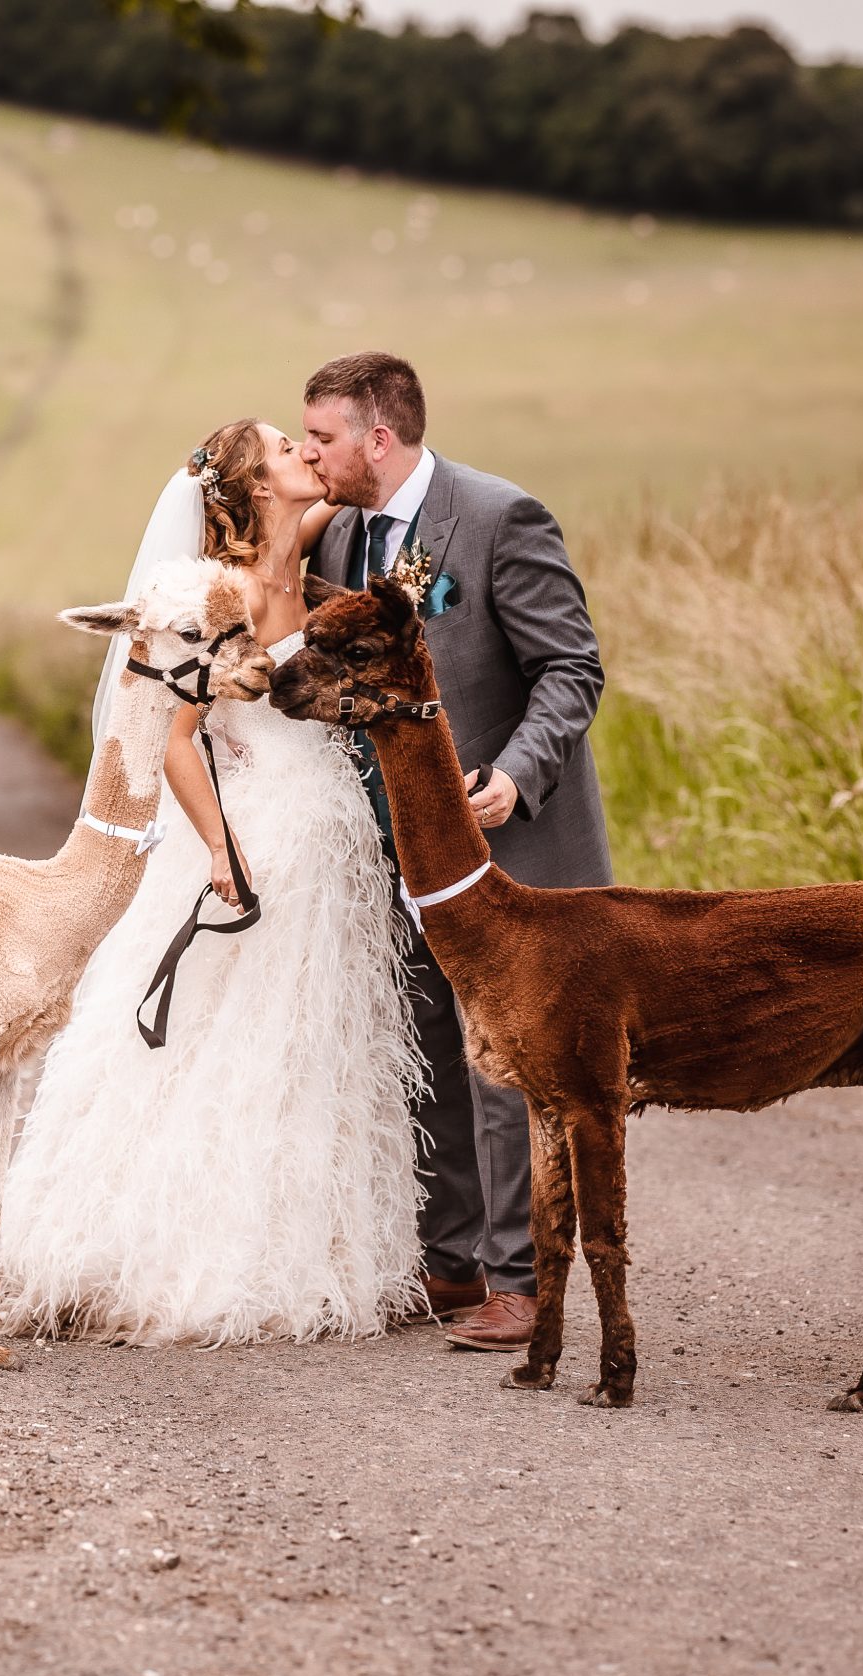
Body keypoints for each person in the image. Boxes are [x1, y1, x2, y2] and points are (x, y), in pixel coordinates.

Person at [0, 419, 426, 1344]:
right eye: (284, 448)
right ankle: (159, 1251)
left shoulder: (298, 547)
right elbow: (177, 741)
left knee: (303, 1041)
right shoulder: (212, 594)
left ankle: (300, 1246)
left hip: (331, 833)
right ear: (253, 486)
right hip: (251, 832)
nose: (306, 454)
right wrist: (223, 851)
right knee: (209, 1039)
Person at [299, 350, 612, 1353]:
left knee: (504, 1060)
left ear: (376, 438)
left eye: (322, 437)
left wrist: (516, 774)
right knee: (429, 1042)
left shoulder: (499, 518)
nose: (311, 453)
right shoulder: (342, 534)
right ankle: (454, 1257)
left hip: (512, 849)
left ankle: (524, 1282)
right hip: (405, 845)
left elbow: (571, 665)